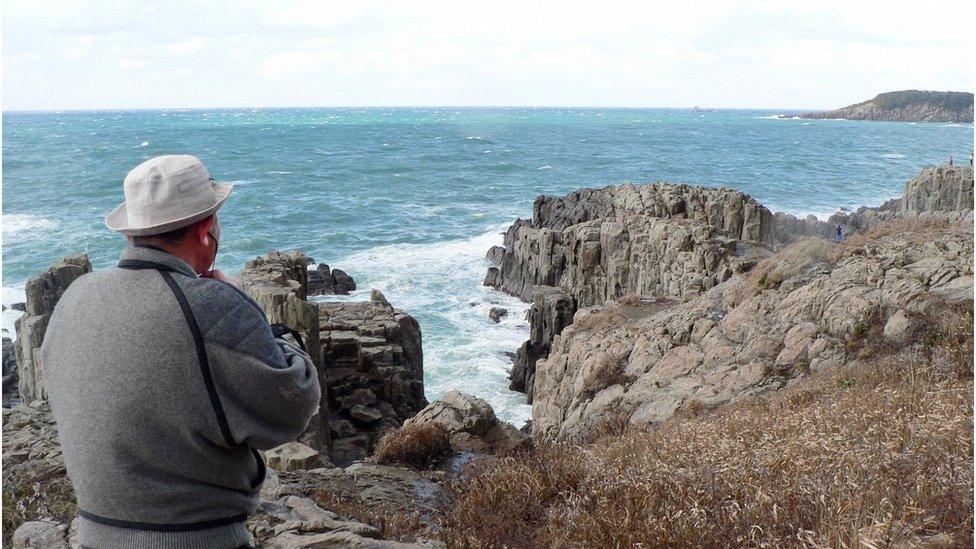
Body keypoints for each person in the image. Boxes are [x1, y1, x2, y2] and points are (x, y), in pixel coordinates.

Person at [43, 155, 320, 549]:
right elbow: (294, 406)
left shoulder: (74, 297)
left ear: (131, 233)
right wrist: (251, 312)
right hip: (198, 539)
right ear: (207, 228)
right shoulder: (211, 305)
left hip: (93, 534)